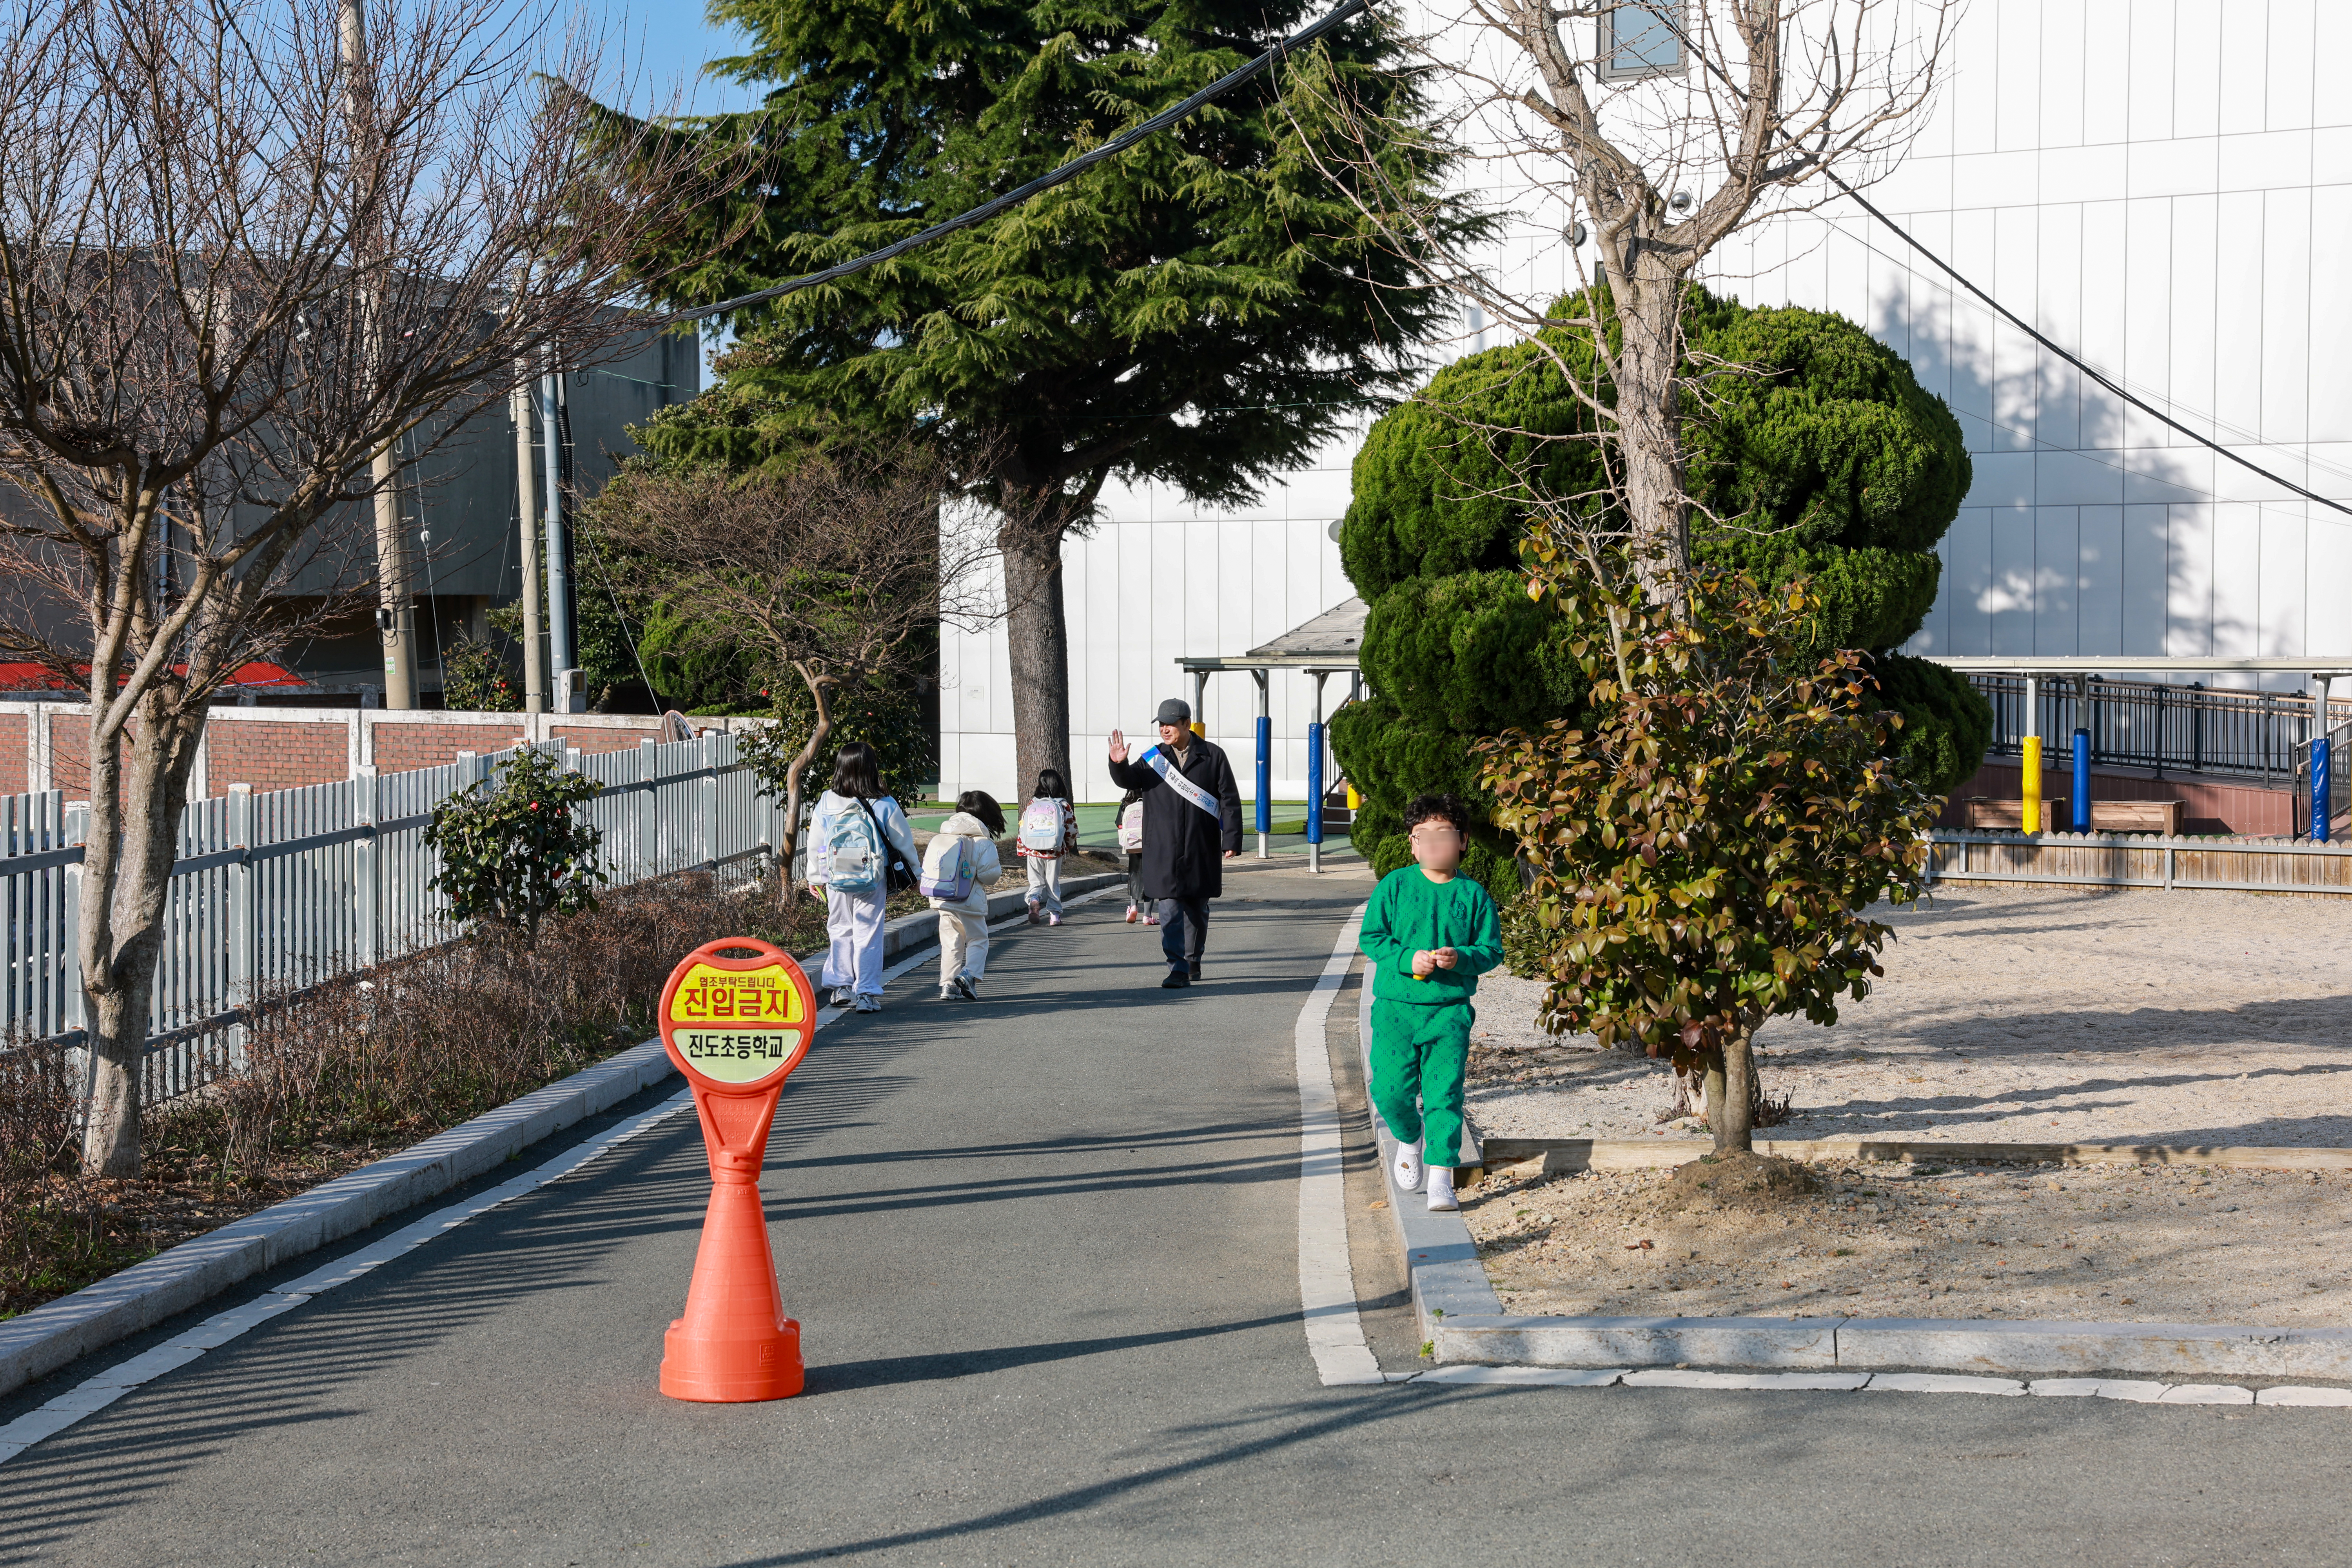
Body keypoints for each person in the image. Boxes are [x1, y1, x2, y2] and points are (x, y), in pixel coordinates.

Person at [1357, 793, 1503, 1212]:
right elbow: (1373, 937)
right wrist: (1406, 958)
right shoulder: (1395, 886)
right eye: (1425, 835)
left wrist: (1462, 957)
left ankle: (1442, 1176)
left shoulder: (1474, 895)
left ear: (1463, 841)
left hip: (1449, 1011)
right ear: (1413, 843)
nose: (1435, 843)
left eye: (1445, 833)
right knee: (1388, 1091)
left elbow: (1491, 950)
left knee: (1445, 1093)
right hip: (1394, 1008)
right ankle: (1409, 1136)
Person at [1106, 697, 1242, 989]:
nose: (1164, 730)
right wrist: (1118, 764)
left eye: (1170, 724)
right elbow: (1129, 779)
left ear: (1186, 724)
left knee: (1197, 908)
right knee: (1168, 909)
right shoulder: (1155, 758)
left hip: (1200, 845)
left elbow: (1229, 800)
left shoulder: (1213, 756)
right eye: (1161, 725)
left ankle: (1193, 960)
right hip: (1163, 848)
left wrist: (1231, 838)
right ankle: (1177, 968)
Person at [806, 741, 920, 1013]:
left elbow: (817, 843)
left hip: (837, 879)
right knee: (868, 933)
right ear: (871, 767)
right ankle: (867, 993)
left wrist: (816, 876)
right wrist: (915, 875)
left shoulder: (827, 800)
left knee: (839, 928)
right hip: (872, 876)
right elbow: (904, 843)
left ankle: (840, 988)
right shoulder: (884, 803)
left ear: (841, 768)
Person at [923, 790, 1004, 1001]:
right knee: (978, 938)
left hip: (943, 899)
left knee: (951, 942)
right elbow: (989, 876)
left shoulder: (942, 837)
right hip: (969, 901)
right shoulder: (982, 842)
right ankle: (969, 974)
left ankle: (948, 986)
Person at [1017, 768, 1078, 925]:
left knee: (1036, 882)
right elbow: (1071, 830)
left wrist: (1023, 848)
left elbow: (1023, 826)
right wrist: (1068, 846)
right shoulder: (1064, 805)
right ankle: (1055, 916)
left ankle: (1035, 900)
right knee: (1053, 883)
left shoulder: (1033, 803)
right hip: (1054, 851)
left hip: (1033, 849)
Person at [1116, 784, 1154, 924]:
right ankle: (1148, 915)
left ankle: (1133, 907)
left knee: (1134, 875)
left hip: (1133, 845)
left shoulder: (1126, 804)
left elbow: (1119, 823)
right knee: (1151, 877)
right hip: (1150, 845)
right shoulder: (1151, 802)